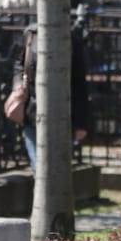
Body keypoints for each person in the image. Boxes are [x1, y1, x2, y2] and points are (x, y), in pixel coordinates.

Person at [11, 20, 91, 167]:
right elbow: (19, 63)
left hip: (62, 116)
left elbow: (79, 81)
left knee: (56, 167)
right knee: (39, 167)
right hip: (32, 114)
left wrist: (81, 123)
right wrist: (17, 85)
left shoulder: (70, 37)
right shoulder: (30, 34)